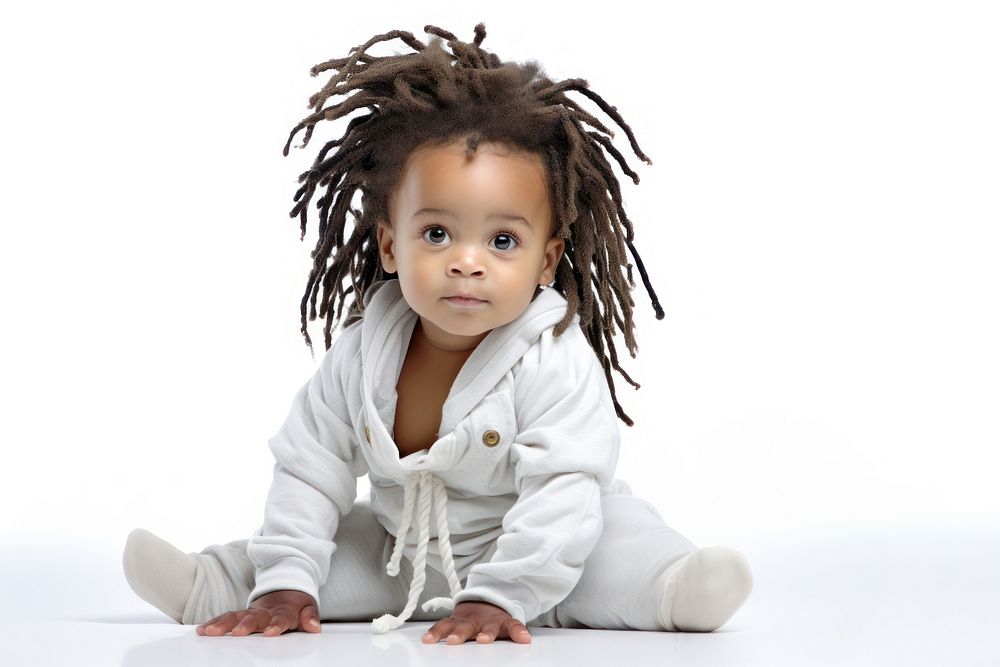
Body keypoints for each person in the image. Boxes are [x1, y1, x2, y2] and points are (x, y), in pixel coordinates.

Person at [122, 22, 753, 645]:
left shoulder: (551, 359)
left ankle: (675, 588)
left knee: (616, 553)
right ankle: (213, 584)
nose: (467, 261)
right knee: (327, 551)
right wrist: (288, 577)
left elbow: (563, 492)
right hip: (412, 551)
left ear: (547, 260)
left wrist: (499, 595)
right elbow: (309, 467)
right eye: (437, 234)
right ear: (391, 246)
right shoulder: (365, 349)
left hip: (549, 544)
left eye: (502, 240)